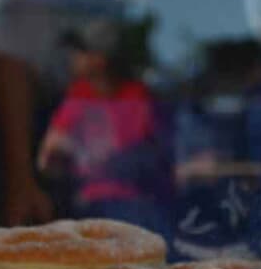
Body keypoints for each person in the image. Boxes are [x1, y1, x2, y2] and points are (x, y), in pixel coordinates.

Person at [36, 18, 169, 235]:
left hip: (132, 207)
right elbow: (49, 155)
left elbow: (138, 158)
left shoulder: (137, 98)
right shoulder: (79, 94)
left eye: (80, 52)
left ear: (100, 59)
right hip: (87, 205)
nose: (72, 58)